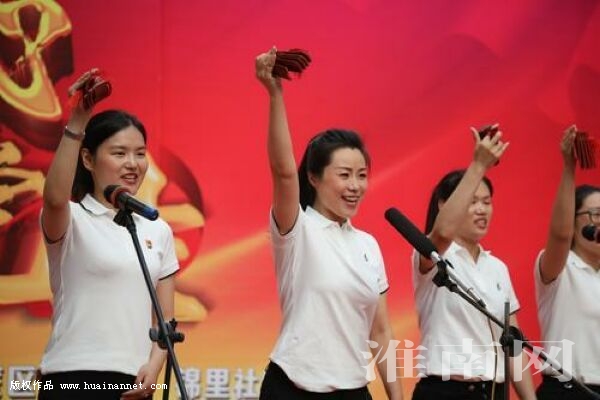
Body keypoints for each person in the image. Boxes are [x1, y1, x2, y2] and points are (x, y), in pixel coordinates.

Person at [255, 47, 403, 400]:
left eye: (362, 175)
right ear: (314, 177)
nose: (355, 186)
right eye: (344, 175)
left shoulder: (368, 245)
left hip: (353, 389)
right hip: (292, 388)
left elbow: (381, 332)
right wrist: (275, 94)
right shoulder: (297, 229)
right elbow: (283, 172)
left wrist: (397, 397)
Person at [37, 69, 178, 400]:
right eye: (119, 153)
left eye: (140, 153)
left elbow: (166, 321)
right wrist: (77, 121)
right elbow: (54, 198)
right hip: (71, 377)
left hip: (132, 382)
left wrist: (154, 366)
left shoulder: (157, 229)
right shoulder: (72, 218)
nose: (133, 164)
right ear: (88, 159)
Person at [411, 127, 536, 400]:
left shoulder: (497, 268)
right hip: (445, 391)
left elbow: (513, 345)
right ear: (445, 205)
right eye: (472, 201)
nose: (481, 209)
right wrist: (479, 165)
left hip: (492, 391)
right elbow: (443, 232)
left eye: (486, 202)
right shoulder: (432, 256)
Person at [535, 126, 600, 399]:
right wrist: (568, 168)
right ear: (573, 222)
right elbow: (559, 235)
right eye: (596, 215)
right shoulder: (560, 269)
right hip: (565, 391)